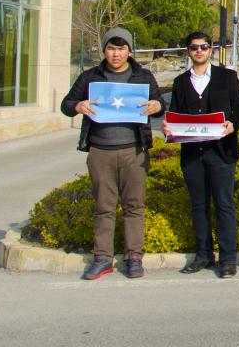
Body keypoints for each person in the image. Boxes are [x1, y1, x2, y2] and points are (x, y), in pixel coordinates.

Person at [60, 27, 165, 280]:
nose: (116, 53)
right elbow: (66, 105)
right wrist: (78, 105)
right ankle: (102, 258)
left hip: (134, 150)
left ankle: (134, 257)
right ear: (104, 50)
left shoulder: (143, 77)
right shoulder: (90, 77)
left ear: (130, 51)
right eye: (111, 48)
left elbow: (161, 106)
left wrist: (157, 105)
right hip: (100, 151)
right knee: (103, 207)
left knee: (134, 205)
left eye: (121, 48)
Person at [163, 31, 239, 278]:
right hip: (192, 154)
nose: (199, 51)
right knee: (198, 205)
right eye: (193, 47)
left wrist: (233, 124)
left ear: (210, 50)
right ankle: (203, 255)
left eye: (203, 47)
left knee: (224, 204)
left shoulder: (227, 77)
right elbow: (175, 114)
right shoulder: (180, 82)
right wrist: (168, 128)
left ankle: (228, 259)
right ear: (188, 51)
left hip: (221, 152)